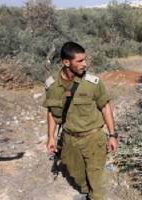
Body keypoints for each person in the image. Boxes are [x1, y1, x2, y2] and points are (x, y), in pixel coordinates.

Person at [43, 41, 118, 200]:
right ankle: (86, 191)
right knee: (76, 175)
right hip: (69, 139)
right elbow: (52, 112)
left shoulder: (92, 83)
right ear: (66, 62)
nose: (85, 64)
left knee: (97, 183)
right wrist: (50, 137)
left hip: (93, 138)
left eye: (85, 59)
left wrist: (112, 135)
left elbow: (105, 108)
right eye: (80, 61)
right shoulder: (52, 85)